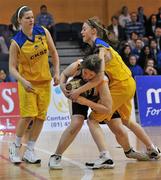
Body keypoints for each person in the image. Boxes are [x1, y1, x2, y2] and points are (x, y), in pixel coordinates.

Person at [69, 17, 160, 168]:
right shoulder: (96, 47)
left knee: (92, 119)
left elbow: (99, 77)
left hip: (120, 86)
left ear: (93, 31)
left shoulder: (100, 49)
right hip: (127, 83)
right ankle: (152, 148)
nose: (81, 32)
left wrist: (78, 91)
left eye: (84, 29)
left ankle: (104, 157)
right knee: (127, 121)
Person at [8, 5, 59, 164]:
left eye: (32, 17)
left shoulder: (43, 32)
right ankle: (15, 147)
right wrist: (23, 81)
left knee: (41, 117)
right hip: (27, 83)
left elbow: (54, 53)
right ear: (20, 21)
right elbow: (11, 68)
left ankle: (30, 150)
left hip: (45, 81)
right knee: (28, 115)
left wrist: (57, 72)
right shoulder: (16, 42)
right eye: (27, 18)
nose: (31, 20)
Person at [48, 54, 115, 169]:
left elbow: (107, 109)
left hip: (94, 100)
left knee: (116, 125)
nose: (86, 77)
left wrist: (86, 102)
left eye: (91, 75)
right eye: (85, 73)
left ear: (97, 74)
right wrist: (63, 87)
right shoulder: (77, 65)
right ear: (82, 67)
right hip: (77, 95)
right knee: (76, 123)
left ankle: (106, 157)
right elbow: (63, 74)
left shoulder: (102, 81)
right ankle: (56, 156)